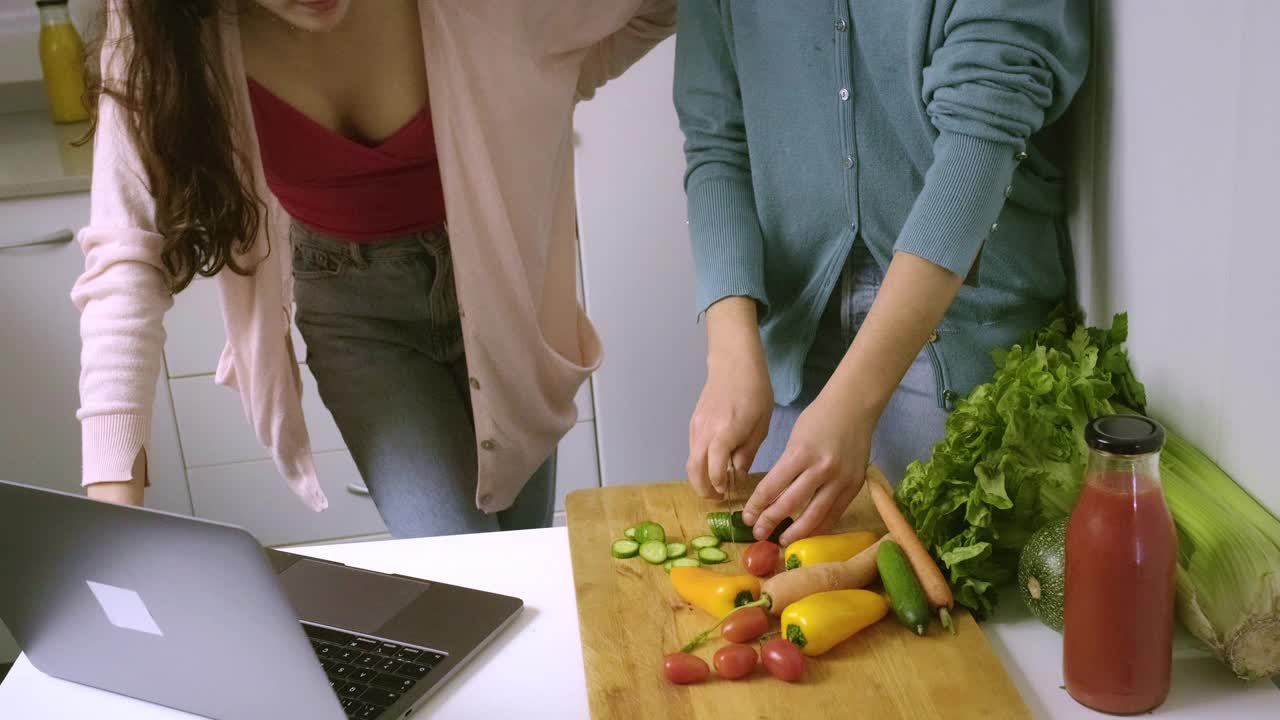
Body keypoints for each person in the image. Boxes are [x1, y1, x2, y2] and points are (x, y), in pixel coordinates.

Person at [73, 0, 675, 537]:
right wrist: (111, 500)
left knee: (519, 558)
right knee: (467, 575)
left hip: (508, 297)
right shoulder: (160, 24)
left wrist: (544, 81)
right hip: (356, 315)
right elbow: (127, 253)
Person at [675, 2, 1089, 545]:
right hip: (793, 326)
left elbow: (982, 135)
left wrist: (852, 402)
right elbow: (717, 143)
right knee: (765, 571)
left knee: (947, 596)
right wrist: (730, 354)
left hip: (959, 323)